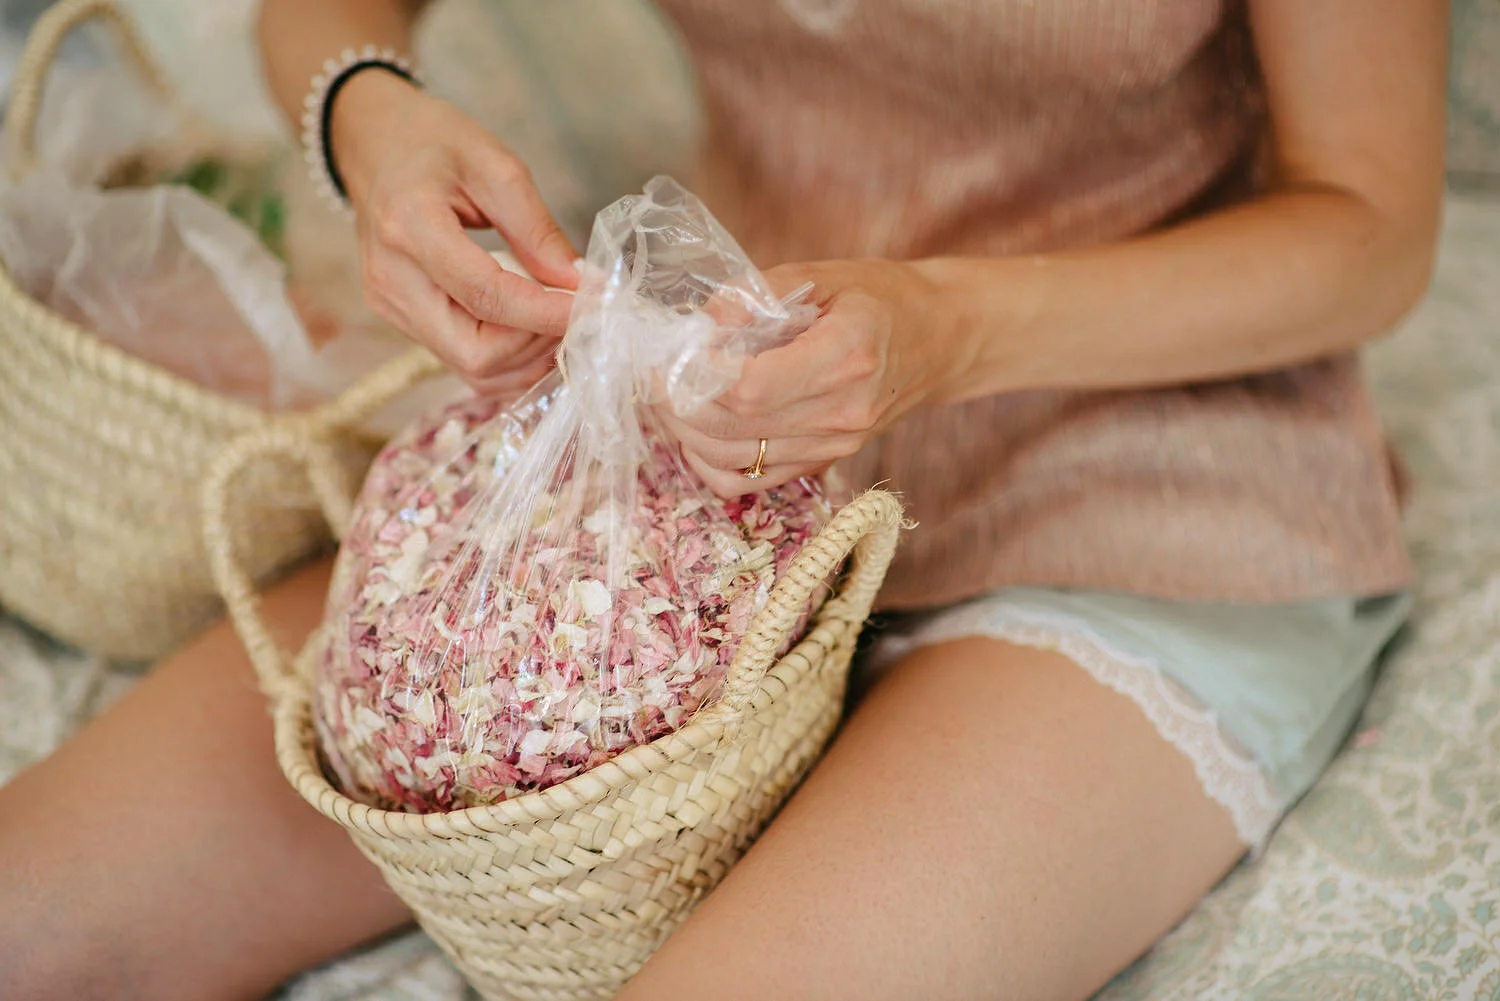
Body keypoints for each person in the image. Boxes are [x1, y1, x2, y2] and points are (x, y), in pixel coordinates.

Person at [0, 1, 1446, 998]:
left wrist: (946, 329)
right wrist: (367, 119)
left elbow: (1372, 228)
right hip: (685, 453)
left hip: (1147, 468)